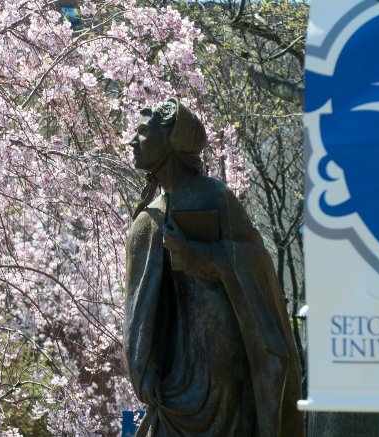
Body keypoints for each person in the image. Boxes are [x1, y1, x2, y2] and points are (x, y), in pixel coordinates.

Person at [124, 99, 304, 436]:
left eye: (143, 132)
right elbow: (140, 307)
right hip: (171, 376)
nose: (132, 142)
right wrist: (144, 365)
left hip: (223, 371)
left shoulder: (215, 198)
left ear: (172, 138)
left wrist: (192, 252)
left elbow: (256, 263)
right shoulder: (147, 219)